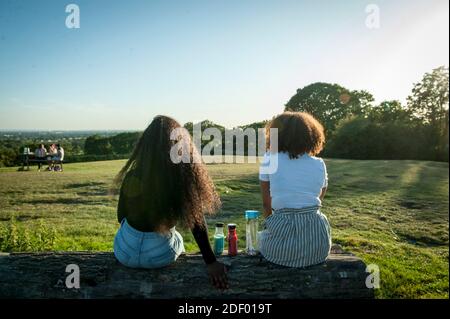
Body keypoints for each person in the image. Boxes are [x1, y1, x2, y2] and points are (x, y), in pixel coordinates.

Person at [113, 115, 228, 289]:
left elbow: (120, 216)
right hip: (159, 255)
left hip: (124, 252)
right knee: (178, 238)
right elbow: (196, 224)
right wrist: (211, 262)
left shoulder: (132, 175)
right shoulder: (181, 179)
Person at [258, 111, 331, 268]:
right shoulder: (319, 164)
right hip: (318, 246)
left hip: (280, 245)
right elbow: (319, 198)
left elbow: (266, 205)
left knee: (261, 238)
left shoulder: (269, 160)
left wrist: (274, 227)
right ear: (311, 136)